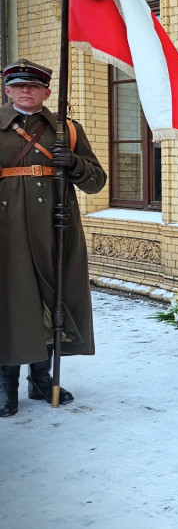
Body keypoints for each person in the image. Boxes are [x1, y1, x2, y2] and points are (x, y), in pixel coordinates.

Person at [0, 58, 107, 417]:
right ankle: (6, 384)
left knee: (53, 300)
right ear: (7, 90)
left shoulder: (67, 131)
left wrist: (73, 163)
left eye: (33, 86)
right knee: (13, 304)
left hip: (56, 230)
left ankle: (42, 379)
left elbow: (96, 182)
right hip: (7, 232)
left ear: (47, 92)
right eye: (18, 85)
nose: (25, 91)